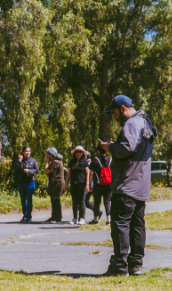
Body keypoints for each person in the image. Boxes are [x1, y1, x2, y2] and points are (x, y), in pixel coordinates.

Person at [99, 95, 157, 277]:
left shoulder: (132, 123)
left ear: (123, 108)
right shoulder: (146, 121)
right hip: (141, 185)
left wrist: (110, 147)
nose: (114, 118)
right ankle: (135, 264)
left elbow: (126, 148)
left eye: (115, 113)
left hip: (126, 184)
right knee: (137, 225)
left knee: (120, 225)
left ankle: (119, 266)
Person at [86, 145, 112, 225]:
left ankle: (96, 220)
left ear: (98, 151)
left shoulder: (95, 160)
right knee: (107, 202)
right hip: (108, 185)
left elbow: (91, 174)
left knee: (97, 202)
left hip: (98, 185)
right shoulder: (110, 160)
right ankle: (109, 220)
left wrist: (89, 184)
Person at [14, 146, 39, 223]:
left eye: (29, 151)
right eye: (26, 151)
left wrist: (29, 171)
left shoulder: (33, 160)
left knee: (29, 198)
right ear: (23, 152)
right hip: (21, 182)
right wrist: (19, 161)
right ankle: (25, 215)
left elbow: (37, 170)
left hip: (30, 182)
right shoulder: (19, 160)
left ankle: (29, 216)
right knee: (23, 199)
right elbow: (15, 168)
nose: (28, 153)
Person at [67, 145, 90, 225]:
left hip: (82, 184)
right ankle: (74, 218)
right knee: (74, 201)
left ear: (82, 153)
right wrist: (65, 184)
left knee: (81, 201)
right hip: (73, 184)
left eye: (80, 152)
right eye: (76, 152)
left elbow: (87, 173)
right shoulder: (71, 162)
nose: (78, 153)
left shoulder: (85, 162)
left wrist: (87, 185)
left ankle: (82, 218)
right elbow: (68, 174)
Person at [44, 148, 67, 223]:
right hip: (54, 184)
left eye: (48, 154)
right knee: (54, 200)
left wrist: (47, 161)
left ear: (51, 155)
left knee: (56, 200)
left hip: (57, 184)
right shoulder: (55, 161)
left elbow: (47, 170)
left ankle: (57, 217)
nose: (47, 155)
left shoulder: (55, 162)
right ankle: (54, 216)